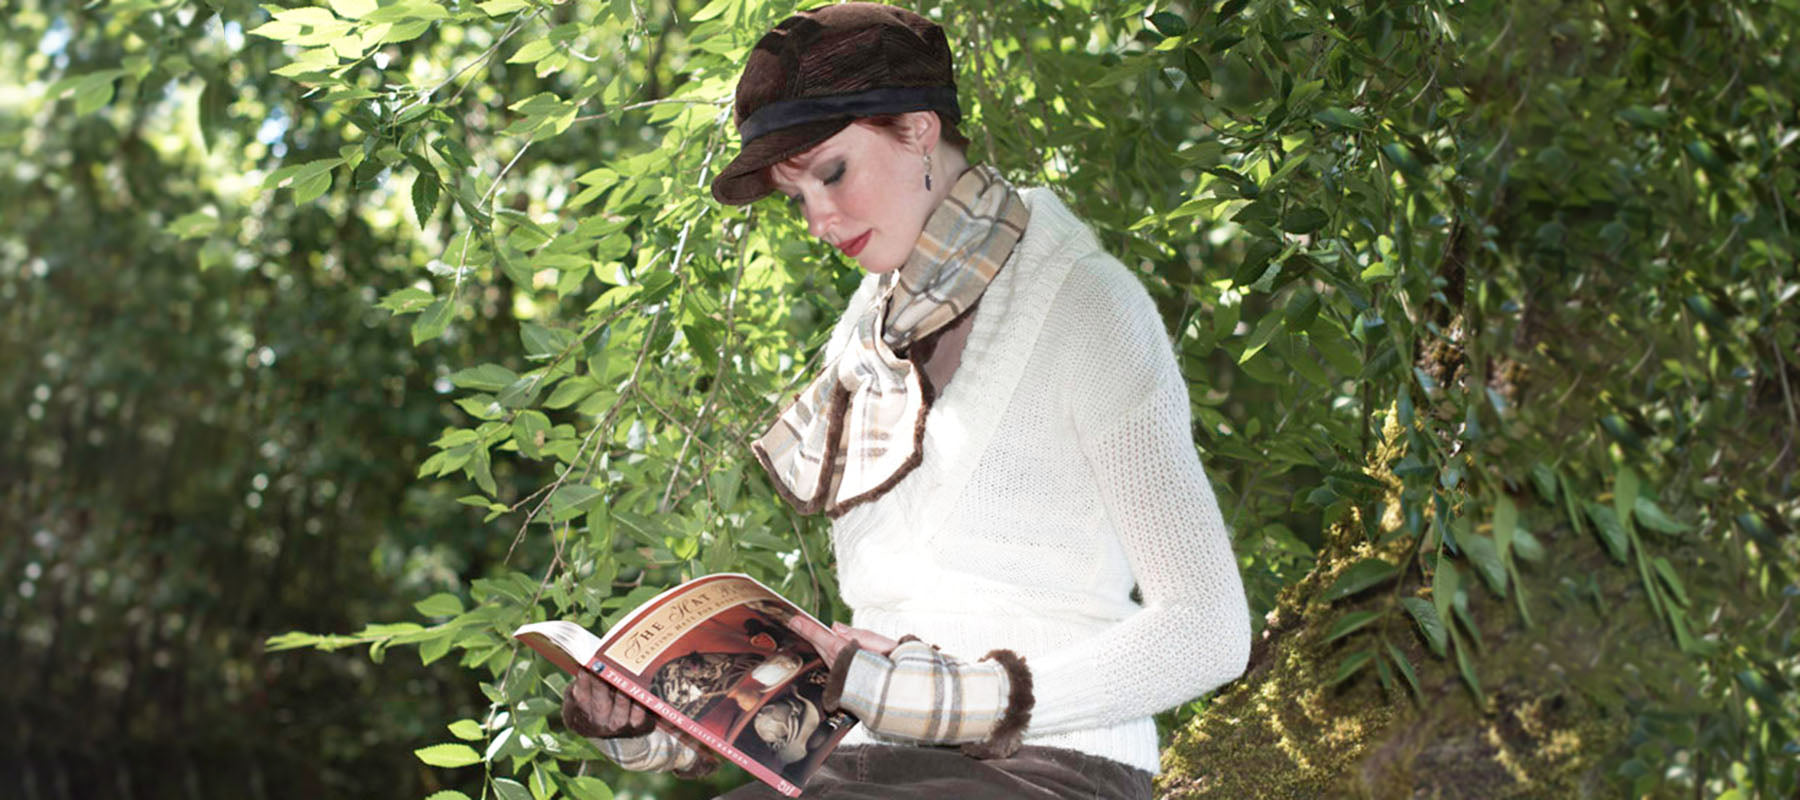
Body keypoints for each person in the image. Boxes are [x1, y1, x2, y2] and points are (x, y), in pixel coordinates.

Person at [560, 3, 1251, 797]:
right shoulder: (867, 334)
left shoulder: (1087, 304)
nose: (818, 219)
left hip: (1051, 768)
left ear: (919, 129)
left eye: (831, 173)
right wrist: (655, 713)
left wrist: (962, 704)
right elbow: (863, 668)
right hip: (858, 766)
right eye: (796, 196)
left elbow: (1209, 630)